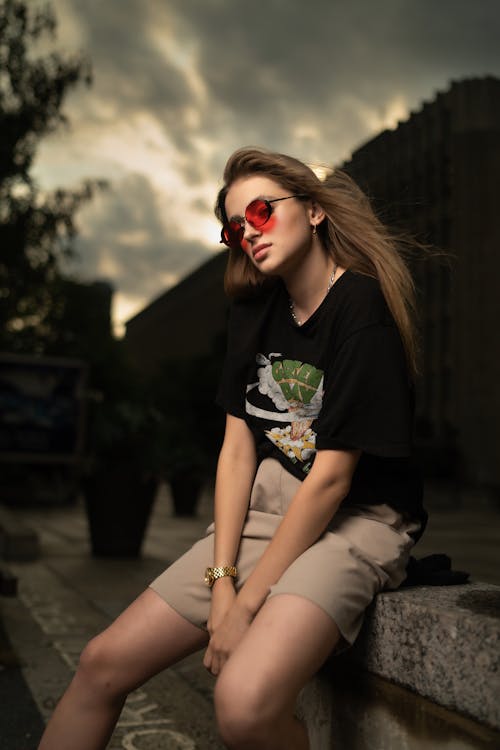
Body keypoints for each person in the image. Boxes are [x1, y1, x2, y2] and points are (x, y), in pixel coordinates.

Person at [38, 147, 427, 750]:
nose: (250, 232)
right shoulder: (253, 309)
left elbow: (331, 480)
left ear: (315, 212)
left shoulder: (360, 306)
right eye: (236, 226)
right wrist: (223, 582)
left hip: (357, 519)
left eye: (263, 212)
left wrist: (247, 607)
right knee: (99, 664)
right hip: (270, 510)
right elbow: (237, 452)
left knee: (243, 707)